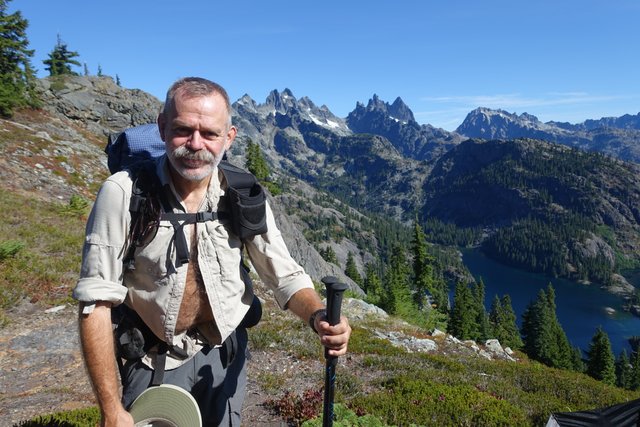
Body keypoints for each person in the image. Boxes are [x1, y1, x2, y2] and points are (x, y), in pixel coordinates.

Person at [73, 77, 352, 427]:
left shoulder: (242, 193)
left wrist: (318, 316)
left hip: (225, 355)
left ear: (229, 138)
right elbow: (95, 303)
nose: (195, 144)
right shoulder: (124, 194)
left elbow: (284, 274)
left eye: (209, 134)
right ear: (162, 128)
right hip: (154, 360)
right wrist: (111, 410)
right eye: (183, 130)